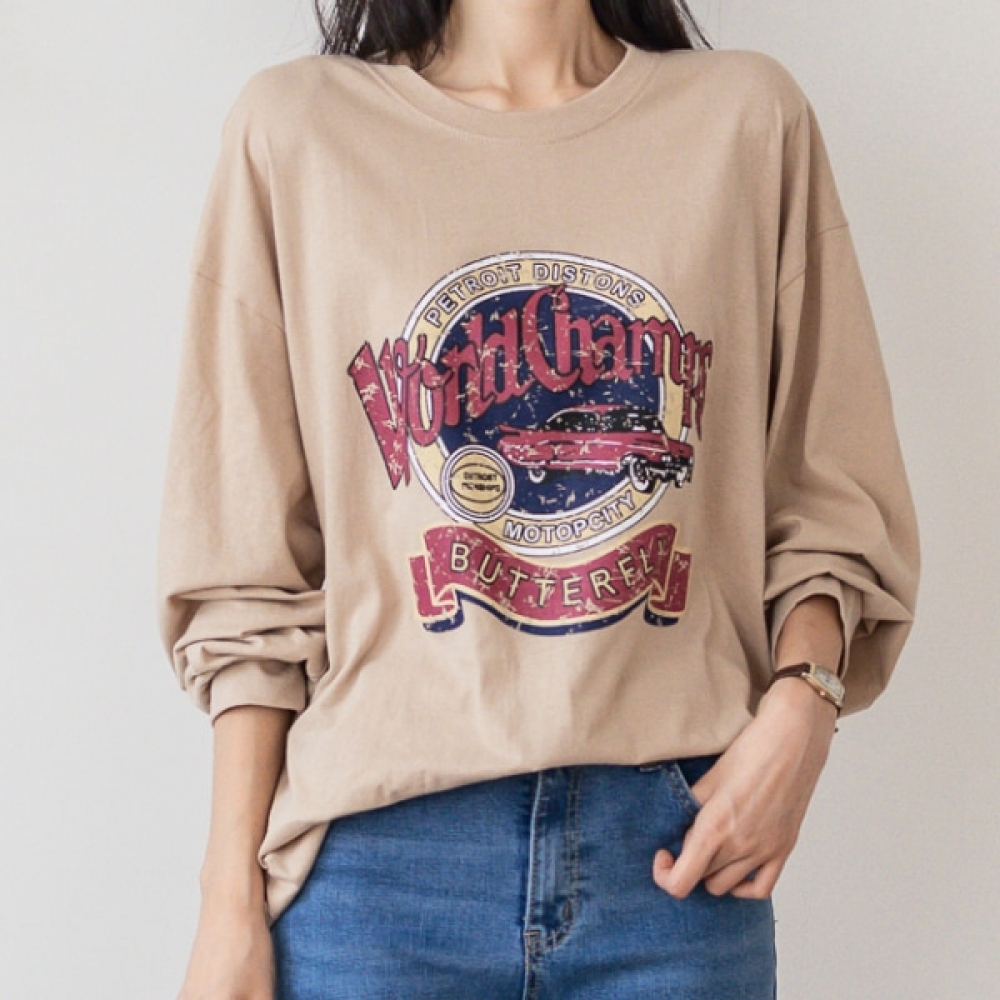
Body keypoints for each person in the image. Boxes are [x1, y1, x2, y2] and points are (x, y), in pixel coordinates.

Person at [156, 1, 920, 998]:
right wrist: (226, 903)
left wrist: (804, 710)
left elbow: (827, 493)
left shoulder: (745, 120)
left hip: (676, 861)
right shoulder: (298, 131)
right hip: (377, 874)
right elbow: (248, 576)